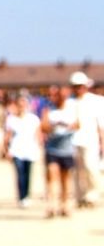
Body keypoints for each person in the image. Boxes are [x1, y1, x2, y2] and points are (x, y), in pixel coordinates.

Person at [41, 84, 78, 218]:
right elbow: (43, 127)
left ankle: (65, 204)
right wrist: (52, 127)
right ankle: (51, 204)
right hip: (52, 149)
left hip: (67, 149)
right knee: (52, 176)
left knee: (65, 179)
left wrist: (68, 126)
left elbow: (78, 124)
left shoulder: (71, 109)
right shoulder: (49, 110)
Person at [69, 71, 103, 207]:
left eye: (80, 86)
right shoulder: (70, 102)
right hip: (73, 141)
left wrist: (102, 142)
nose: (78, 89)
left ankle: (92, 195)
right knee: (77, 171)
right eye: (75, 86)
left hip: (90, 140)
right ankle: (80, 196)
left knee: (91, 168)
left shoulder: (96, 101)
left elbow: (101, 124)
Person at [4, 97, 40, 207]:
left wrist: (38, 147)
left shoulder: (33, 119)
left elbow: (38, 135)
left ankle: (27, 195)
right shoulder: (11, 119)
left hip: (30, 149)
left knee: (28, 173)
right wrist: (6, 150)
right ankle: (21, 196)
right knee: (20, 174)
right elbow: (8, 136)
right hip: (16, 150)